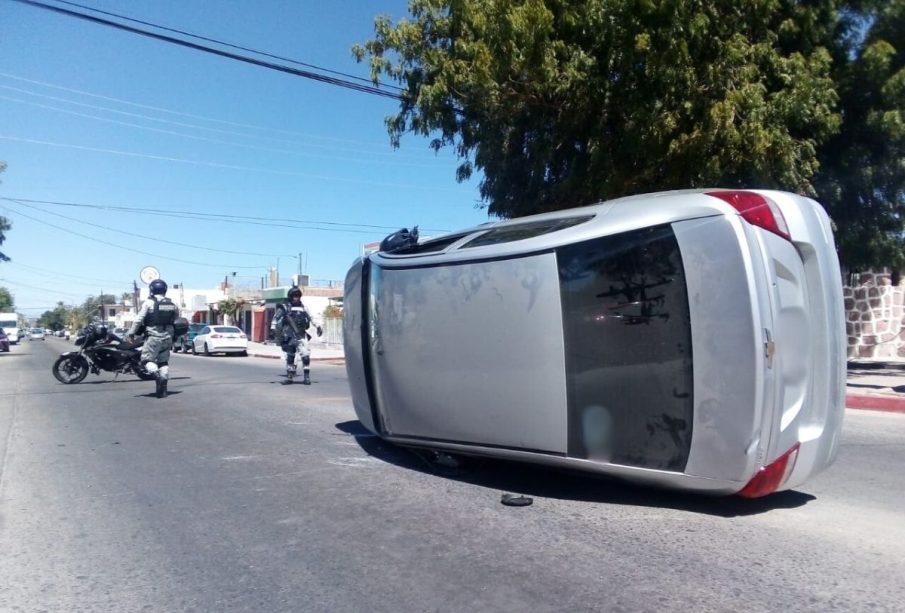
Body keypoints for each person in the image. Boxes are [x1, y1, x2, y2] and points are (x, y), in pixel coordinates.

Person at [128, 278, 179, 398]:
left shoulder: (148, 303)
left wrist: (131, 333)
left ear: (152, 290)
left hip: (153, 338)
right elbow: (176, 320)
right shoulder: (172, 305)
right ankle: (163, 389)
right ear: (165, 290)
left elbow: (138, 320)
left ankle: (157, 376)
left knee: (146, 360)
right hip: (167, 338)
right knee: (163, 362)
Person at [271, 285, 322, 384]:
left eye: (298, 296)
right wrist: (272, 329)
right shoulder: (284, 307)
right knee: (290, 357)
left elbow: (311, 317)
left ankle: (306, 377)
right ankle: (290, 377)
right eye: (294, 296)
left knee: (305, 356)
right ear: (290, 297)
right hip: (288, 335)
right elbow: (275, 318)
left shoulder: (303, 308)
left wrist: (318, 326)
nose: (296, 298)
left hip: (301, 335)